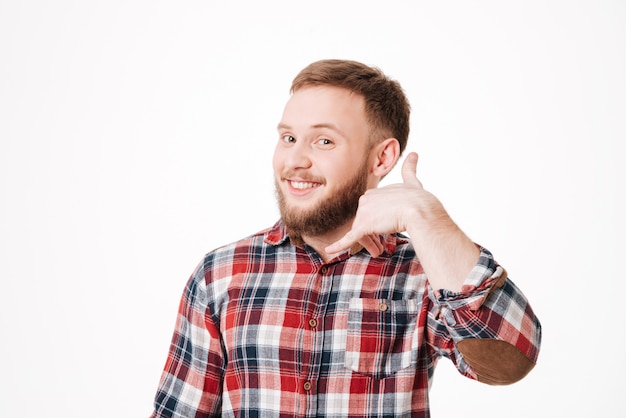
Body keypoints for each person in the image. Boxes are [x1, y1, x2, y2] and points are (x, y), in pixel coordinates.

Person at [150, 59, 542, 417]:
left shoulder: (424, 274)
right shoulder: (221, 275)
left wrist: (426, 218)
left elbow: (513, 359)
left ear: (382, 159)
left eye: (323, 141)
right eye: (288, 138)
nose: (295, 161)